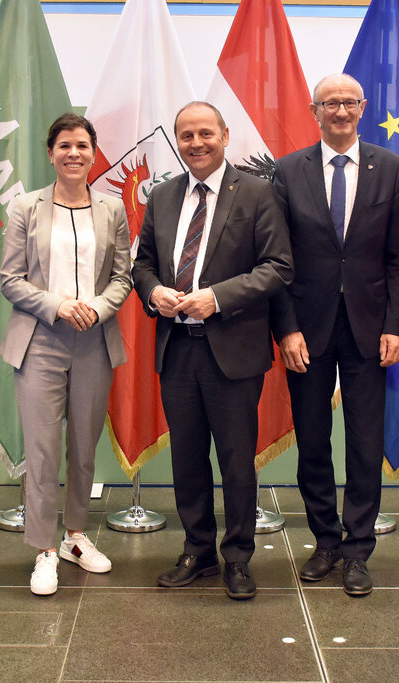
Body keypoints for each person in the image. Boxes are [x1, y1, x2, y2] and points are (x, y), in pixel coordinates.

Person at [132, 101, 292, 600]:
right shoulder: (161, 196)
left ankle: (238, 557)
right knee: (187, 459)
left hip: (233, 350)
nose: (196, 143)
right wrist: (153, 290)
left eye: (205, 133)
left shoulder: (259, 192)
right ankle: (197, 550)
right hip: (177, 348)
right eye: (186, 135)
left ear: (225, 134)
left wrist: (218, 298)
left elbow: (278, 266)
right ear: (177, 141)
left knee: (237, 460)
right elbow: (142, 264)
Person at [270, 74, 399, 596]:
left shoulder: (389, 167)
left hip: (371, 330)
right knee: (312, 441)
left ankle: (357, 550)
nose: (341, 111)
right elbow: (277, 260)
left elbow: (397, 256)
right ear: (315, 110)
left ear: (363, 107)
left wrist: (398, 325)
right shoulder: (288, 171)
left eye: (350, 102)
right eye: (331, 103)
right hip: (307, 328)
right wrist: (286, 328)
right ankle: (325, 541)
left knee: (364, 442)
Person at [0, 113, 131, 596]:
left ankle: (75, 537)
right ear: (50, 153)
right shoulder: (24, 208)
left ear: (93, 152)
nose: (73, 153)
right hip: (40, 340)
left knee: (82, 447)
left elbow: (123, 277)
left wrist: (95, 309)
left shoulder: (112, 209)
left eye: (82, 145)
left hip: (94, 338)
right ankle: (45, 550)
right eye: (64, 145)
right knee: (42, 450)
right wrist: (58, 306)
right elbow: (10, 279)